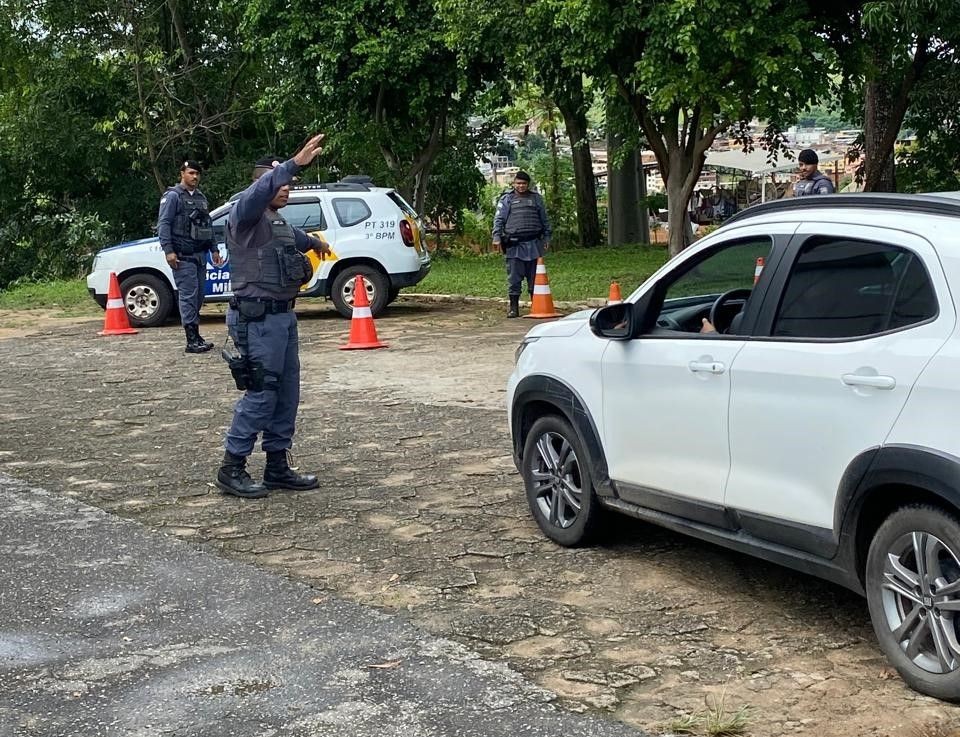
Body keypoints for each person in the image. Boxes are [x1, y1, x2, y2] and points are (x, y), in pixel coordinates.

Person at [216, 134, 331, 499]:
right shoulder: (246, 215)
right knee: (261, 393)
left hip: (282, 319)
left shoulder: (277, 222)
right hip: (257, 320)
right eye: (279, 182)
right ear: (261, 185)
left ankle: (277, 466)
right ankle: (231, 467)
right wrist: (294, 163)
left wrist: (316, 244)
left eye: (288, 184)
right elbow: (262, 189)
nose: (285, 188)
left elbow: (296, 239)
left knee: (286, 395)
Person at [157, 160, 223, 353]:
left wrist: (214, 249)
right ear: (182, 174)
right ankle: (191, 338)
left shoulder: (201, 197)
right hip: (183, 256)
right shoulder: (173, 197)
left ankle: (197, 334)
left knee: (199, 295)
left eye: (197, 174)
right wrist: (168, 250)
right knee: (188, 296)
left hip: (200, 255)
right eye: (191, 173)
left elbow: (207, 226)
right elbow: (164, 224)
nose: (195, 177)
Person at [491, 171, 552, 318]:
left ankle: (536, 305)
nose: (521, 186)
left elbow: (544, 220)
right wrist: (496, 237)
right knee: (514, 278)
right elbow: (499, 219)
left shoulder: (536, 199)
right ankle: (513, 308)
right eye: (518, 183)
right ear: (514, 184)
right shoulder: (507, 199)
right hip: (514, 246)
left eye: (524, 183)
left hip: (534, 244)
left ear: (528, 184)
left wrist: (547, 238)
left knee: (535, 278)